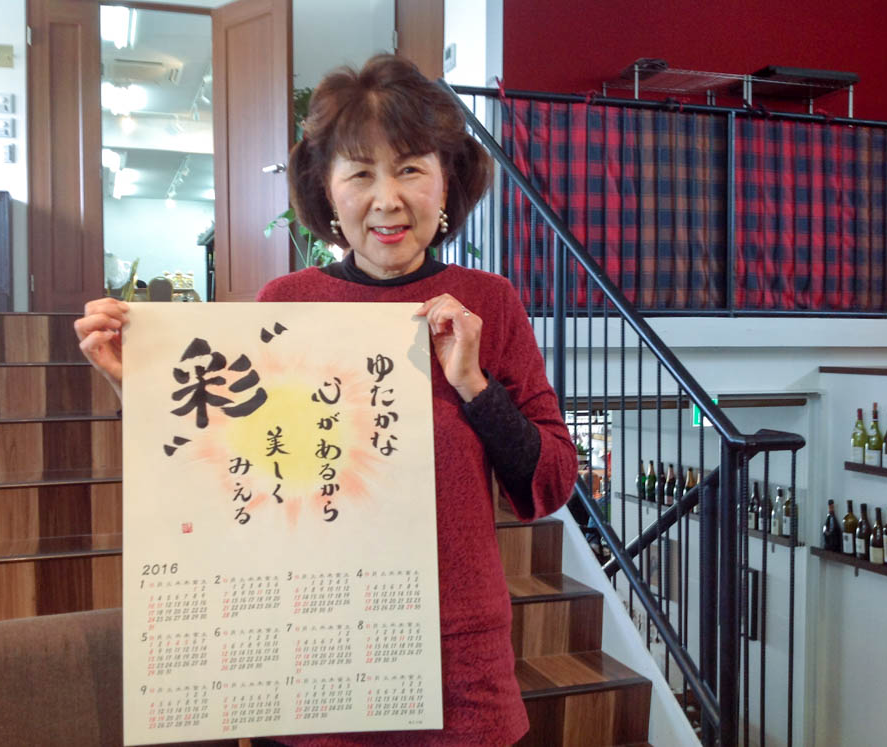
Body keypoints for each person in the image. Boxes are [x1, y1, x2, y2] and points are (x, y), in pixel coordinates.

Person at [75, 55, 577, 746]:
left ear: (447, 179)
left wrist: (473, 385)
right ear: (326, 189)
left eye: (410, 168)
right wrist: (135, 384)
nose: (387, 198)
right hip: (314, 646)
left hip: (459, 660)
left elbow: (549, 482)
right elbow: (231, 470)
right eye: (360, 173)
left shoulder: (488, 302)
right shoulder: (288, 302)